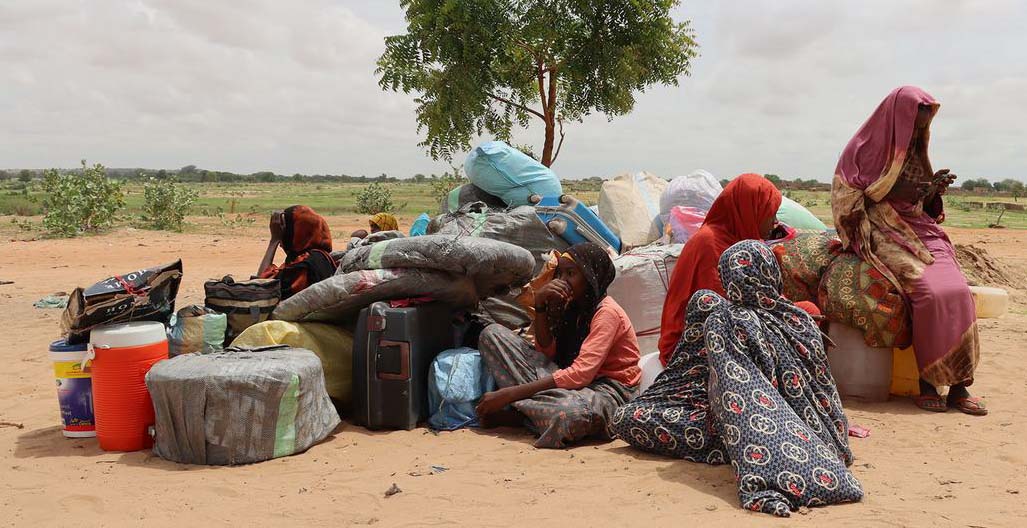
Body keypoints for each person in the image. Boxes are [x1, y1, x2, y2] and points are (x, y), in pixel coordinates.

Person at [609, 240, 862, 516]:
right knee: (704, 302)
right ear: (770, 273)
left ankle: (738, 451)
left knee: (626, 418)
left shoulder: (728, 321)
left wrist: (762, 470)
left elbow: (741, 396)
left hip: (756, 431)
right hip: (828, 436)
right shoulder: (799, 318)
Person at [832, 86, 985, 415]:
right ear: (898, 118)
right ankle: (927, 383)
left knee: (959, 291)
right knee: (929, 293)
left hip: (920, 229)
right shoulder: (861, 151)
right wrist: (887, 193)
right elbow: (846, 199)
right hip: (881, 229)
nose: (919, 131)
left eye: (924, 125)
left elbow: (922, 206)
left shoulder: (915, 150)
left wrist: (931, 192)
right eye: (915, 123)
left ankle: (960, 386)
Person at [475, 242, 641, 448]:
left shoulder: (607, 313)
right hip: (568, 381)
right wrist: (540, 306)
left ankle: (521, 417)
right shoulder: (571, 305)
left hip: (607, 391)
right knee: (492, 334)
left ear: (591, 277)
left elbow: (581, 374)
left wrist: (509, 394)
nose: (562, 281)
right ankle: (536, 414)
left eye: (570, 274)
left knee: (570, 413)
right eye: (560, 274)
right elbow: (546, 353)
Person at [658, 173, 782, 367]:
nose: (775, 222)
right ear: (750, 211)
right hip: (699, 340)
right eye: (770, 213)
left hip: (737, 325)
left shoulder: (744, 242)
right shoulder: (710, 244)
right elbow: (719, 310)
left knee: (804, 314)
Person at [257, 205, 336, 299]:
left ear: (298, 233)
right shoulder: (322, 256)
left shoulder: (305, 263)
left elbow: (260, 286)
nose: (281, 243)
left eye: (285, 232)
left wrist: (274, 241)